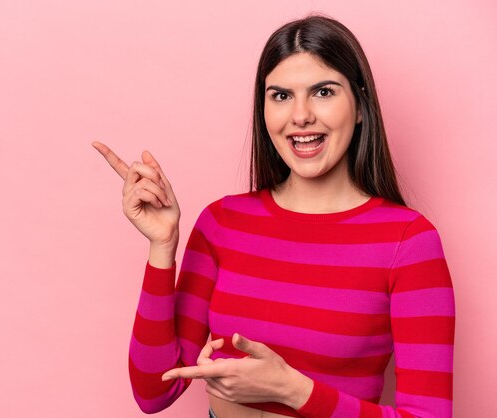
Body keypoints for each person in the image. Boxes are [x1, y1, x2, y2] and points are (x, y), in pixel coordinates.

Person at [92, 13, 455, 418]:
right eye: (280, 96)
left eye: (323, 92)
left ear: (360, 106)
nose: (300, 116)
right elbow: (153, 391)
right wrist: (162, 247)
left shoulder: (408, 241)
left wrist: (293, 390)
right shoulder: (221, 223)